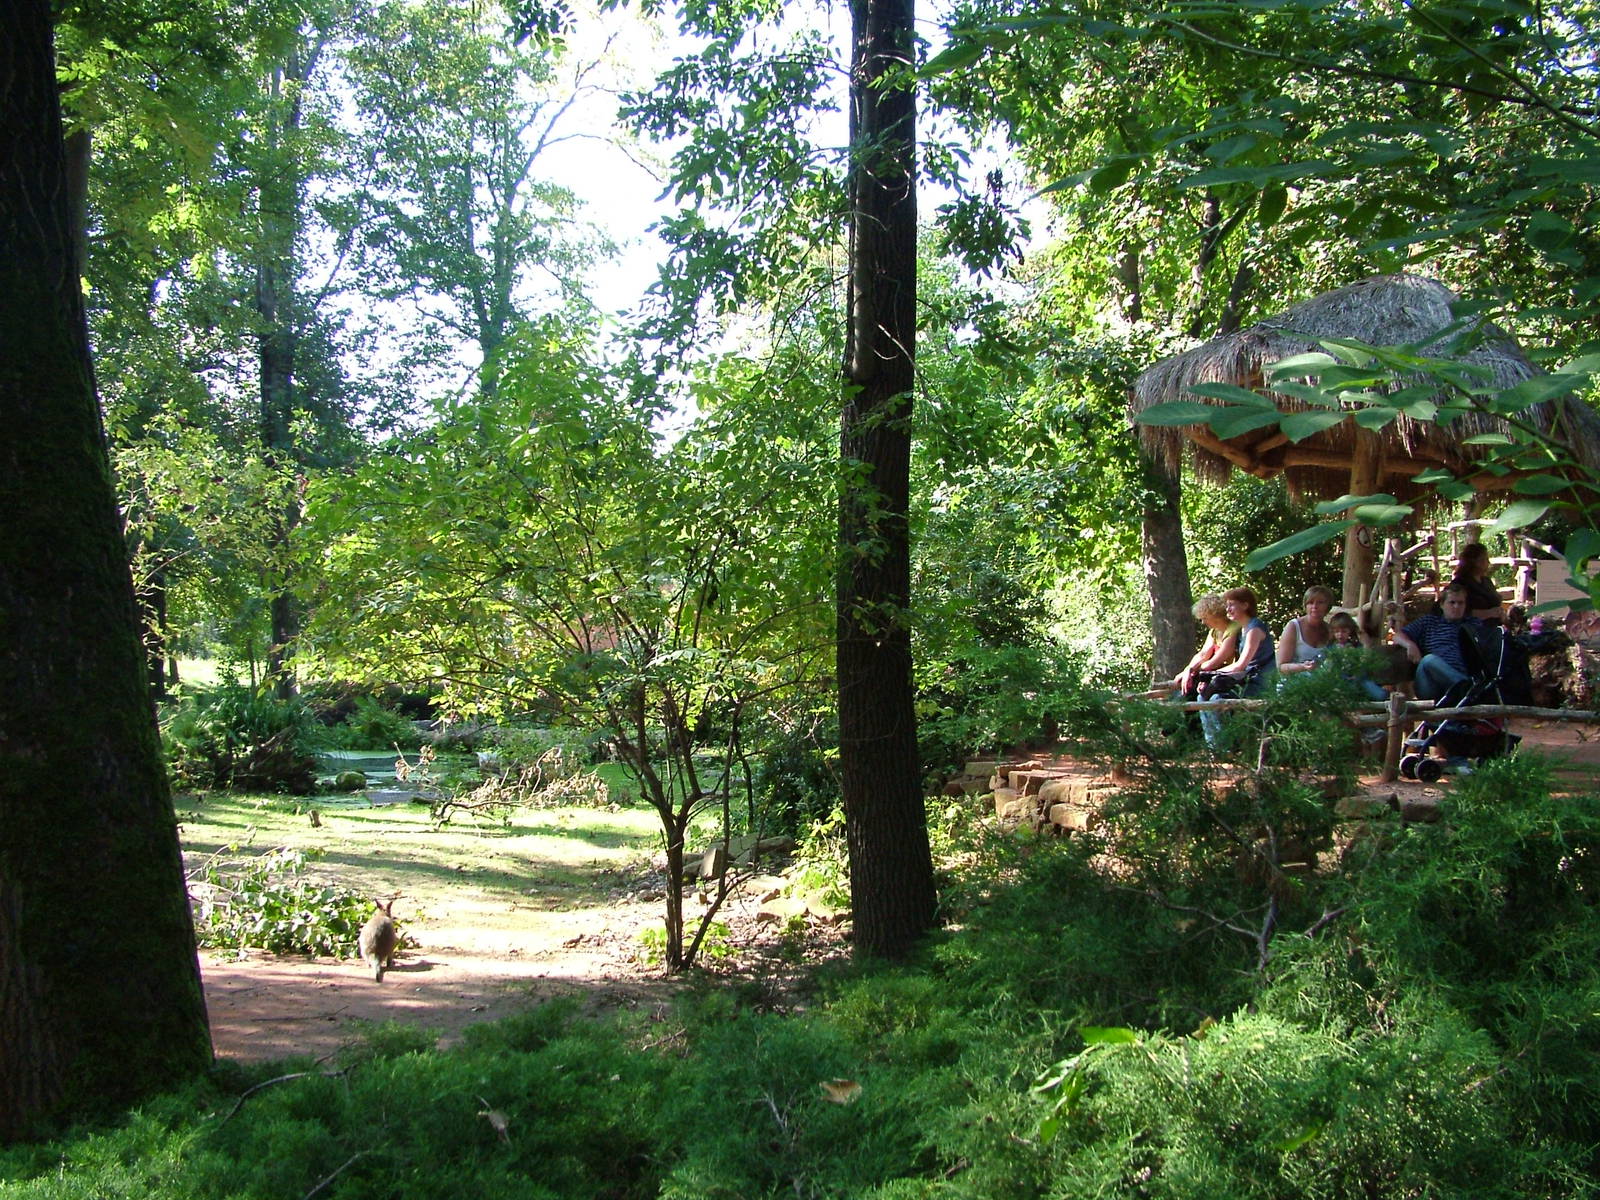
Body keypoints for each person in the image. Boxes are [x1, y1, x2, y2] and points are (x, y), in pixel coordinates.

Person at [1198, 587, 1276, 748]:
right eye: (1227, 605)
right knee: (1203, 697)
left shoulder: (1255, 628)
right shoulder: (1242, 629)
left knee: (1216, 699)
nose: (1228, 609)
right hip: (1246, 680)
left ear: (1245, 605)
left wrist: (1209, 675)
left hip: (1259, 683)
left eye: (1231, 605)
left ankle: (1225, 746)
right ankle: (1215, 747)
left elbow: (1241, 665)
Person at [1392, 583, 1475, 700]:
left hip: (1461, 675)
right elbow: (1397, 636)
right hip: (1430, 685)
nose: (1456, 606)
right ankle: (1469, 689)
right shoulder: (1429, 622)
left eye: (1460, 603)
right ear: (1442, 605)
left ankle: (1464, 687)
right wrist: (1409, 644)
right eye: (1452, 602)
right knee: (1429, 660)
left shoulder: (1472, 624)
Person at [1170, 593, 1239, 697]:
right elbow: (1203, 654)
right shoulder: (1214, 631)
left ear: (1214, 615)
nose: (1203, 622)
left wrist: (1198, 672)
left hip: (1230, 677)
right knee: (1181, 693)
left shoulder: (1233, 629)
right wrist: (1188, 670)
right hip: (1214, 675)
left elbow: (1217, 660)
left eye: (1205, 618)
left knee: (1199, 696)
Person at [1327, 610, 1388, 702]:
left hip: (1360, 678)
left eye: (1344, 631)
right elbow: (1329, 667)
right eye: (1336, 632)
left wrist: (1358, 673)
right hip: (1340, 680)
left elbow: (1364, 662)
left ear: (1350, 631)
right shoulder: (1331, 647)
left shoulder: (1356, 646)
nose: (1340, 635)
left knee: (1381, 695)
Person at [1276, 585, 1335, 676]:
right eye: (1310, 603)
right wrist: (1302, 667)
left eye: (1320, 602)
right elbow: (1281, 667)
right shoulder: (1293, 626)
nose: (1315, 606)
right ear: (1305, 606)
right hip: (1295, 681)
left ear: (1328, 606)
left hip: (1321, 681)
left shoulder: (1330, 630)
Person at [1450, 542, 1503, 623]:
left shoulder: (1486, 581)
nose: (1488, 563)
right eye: (1485, 559)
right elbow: (1455, 611)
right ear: (1474, 561)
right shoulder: (1460, 584)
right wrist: (1488, 613)